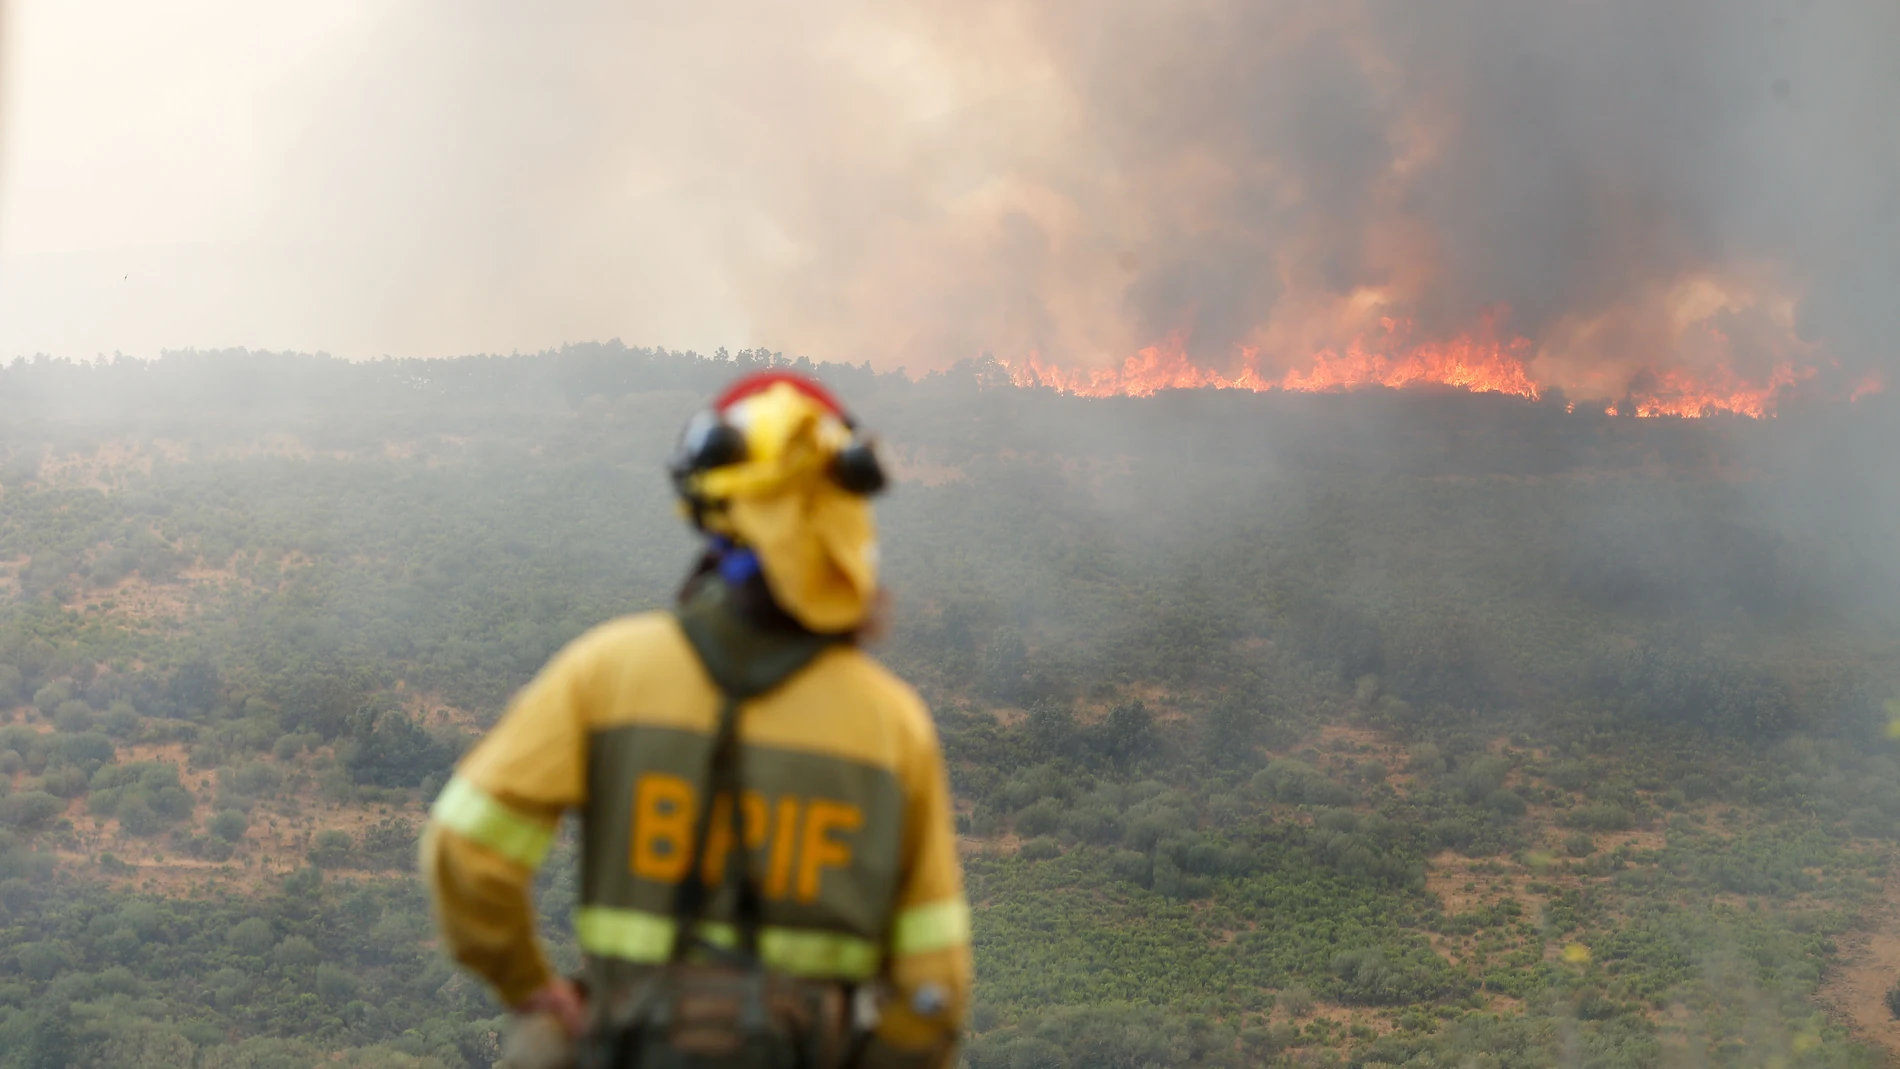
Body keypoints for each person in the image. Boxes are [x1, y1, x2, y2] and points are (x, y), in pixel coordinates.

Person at [420, 371, 971, 1069]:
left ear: (710, 509)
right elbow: (936, 989)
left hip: (625, 1046)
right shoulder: (893, 724)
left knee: (541, 1048)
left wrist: (532, 989)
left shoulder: (605, 671)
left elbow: (464, 851)